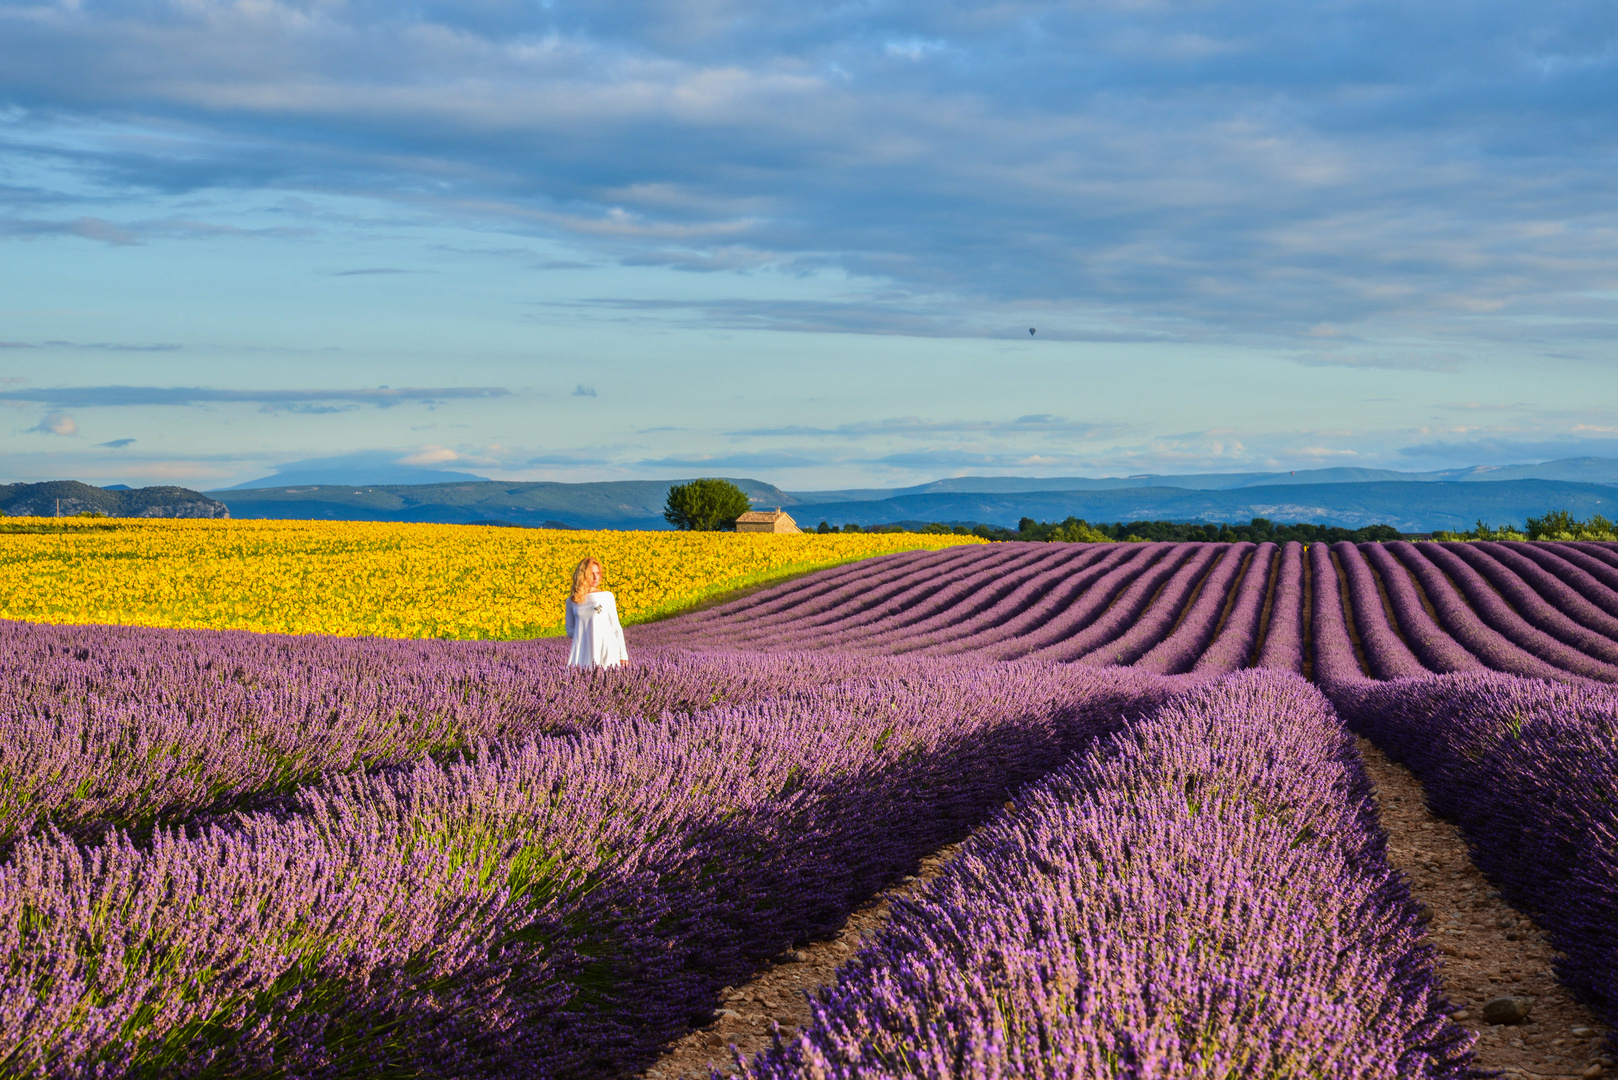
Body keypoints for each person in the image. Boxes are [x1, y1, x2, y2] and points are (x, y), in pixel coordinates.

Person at [564, 556, 628, 669]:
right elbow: (570, 630)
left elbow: (615, 627)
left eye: (598, 573)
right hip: (583, 650)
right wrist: (585, 635)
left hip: (606, 649)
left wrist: (623, 655)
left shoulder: (606, 596)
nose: (595, 577)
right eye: (591, 573)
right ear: (582, 575)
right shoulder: (572, 601)